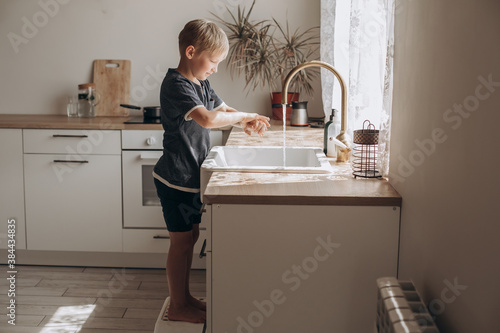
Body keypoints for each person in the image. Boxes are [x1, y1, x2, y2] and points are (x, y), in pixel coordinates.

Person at [153, 19, 271, 324]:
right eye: (214, 61)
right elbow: (207, 119)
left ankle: (185, 297)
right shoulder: (176, 84)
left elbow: (223, 110)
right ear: (191, 52)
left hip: (192, 178)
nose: (216, 68)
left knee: (190, 237)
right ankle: (178, 306)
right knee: (180, 244)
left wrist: (246, 119)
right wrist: (245, 116)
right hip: (176, 179)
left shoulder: (200, 83)